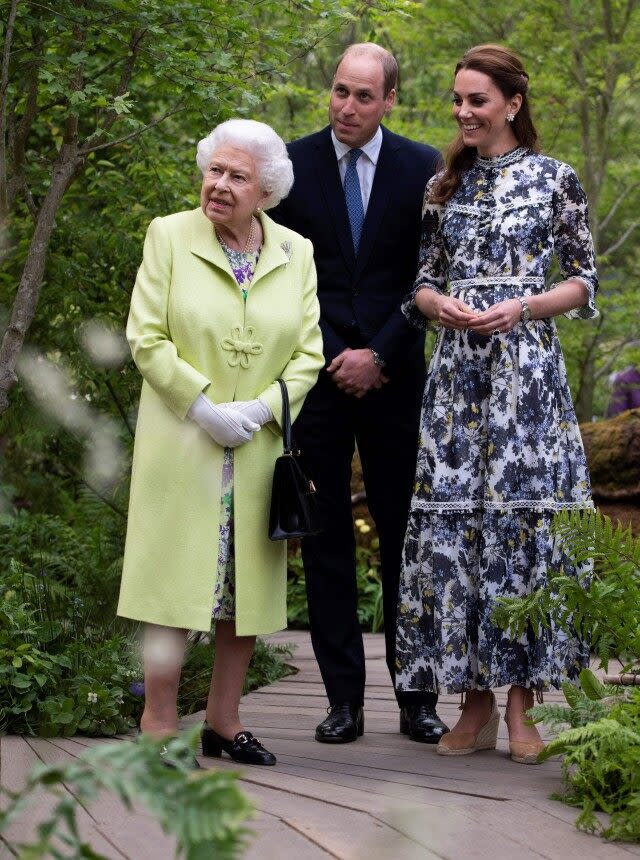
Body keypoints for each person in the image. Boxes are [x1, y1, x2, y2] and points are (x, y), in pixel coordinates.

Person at [396, 44, 598, 764]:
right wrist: (436, 304)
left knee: (519, 532)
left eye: (476, 100)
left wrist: (526, 306)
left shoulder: (555, 181)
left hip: (526, 381)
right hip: (457, 386)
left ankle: (521, 706)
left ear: (512, 102)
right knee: (461, 536)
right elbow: (419, 283)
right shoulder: (442, 187)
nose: (462, 112)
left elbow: (583, 282)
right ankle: (471, 704)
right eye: (458, 100)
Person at [117, 119, 324, 766]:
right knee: (173, 586)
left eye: (237, 177)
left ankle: (224, 722)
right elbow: (146, 337)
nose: (219, 185)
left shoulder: (297, 252)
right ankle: (157, 722)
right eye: (214, 170)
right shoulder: (170, 235)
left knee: (242, 591)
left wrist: (263, 409)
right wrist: (203, 407)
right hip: (186, 440)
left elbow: (309, 352)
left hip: (258, 449)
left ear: (266, 190)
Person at [270, 43, 448, 745]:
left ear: (390, 100)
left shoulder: (423, 167)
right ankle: (342, 700)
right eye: (340, 91)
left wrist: (380, 351)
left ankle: (416, 701)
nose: (346, 107)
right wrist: (332, 352)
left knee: (407, 536)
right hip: (314, 378)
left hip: (396, 374)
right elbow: (277, 273)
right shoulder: (291, 165)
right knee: (327, 542)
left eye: (363, 96)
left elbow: (431, 273)